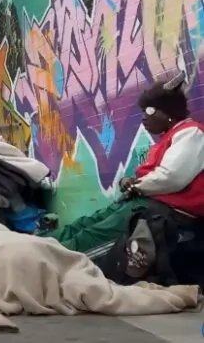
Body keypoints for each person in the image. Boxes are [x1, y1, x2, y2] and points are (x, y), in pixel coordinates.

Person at [43, 74, 204, 256]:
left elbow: (171, 178)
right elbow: (158, 177)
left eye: (149, 111)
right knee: (84, 224)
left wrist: (137, 186)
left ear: (169, 113)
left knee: (90, 238)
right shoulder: (169, 137)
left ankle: (48, 259)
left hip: (168, 213)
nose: (144, 118)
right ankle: (36, 246)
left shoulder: (191, 134)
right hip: (147, 204)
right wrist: (131, 182)